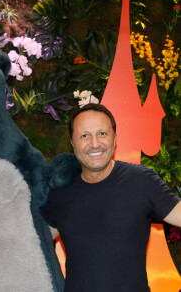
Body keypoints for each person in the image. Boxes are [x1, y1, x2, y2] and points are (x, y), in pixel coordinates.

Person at [42, 103, 181, 292]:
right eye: (84, 136)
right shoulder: (60, 189)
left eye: (102, 134)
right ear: (73, 142)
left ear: (115, 138)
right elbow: (35, 238)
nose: (94, 143)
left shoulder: (141, 181)